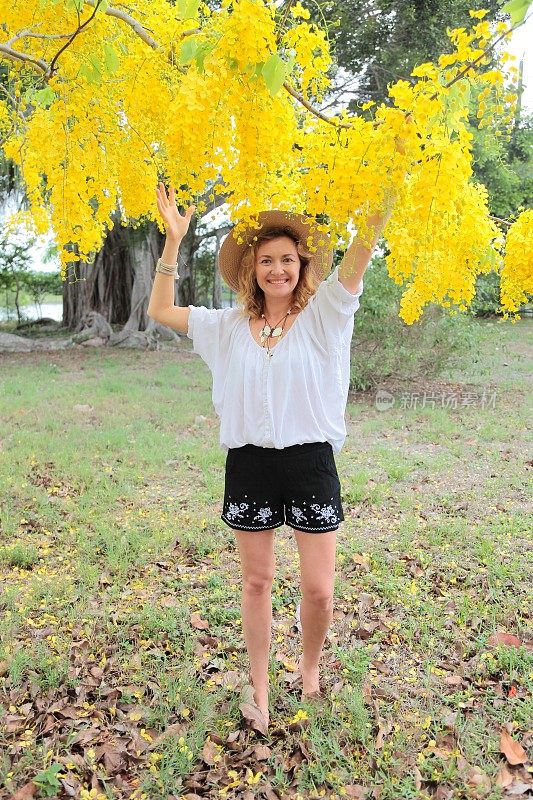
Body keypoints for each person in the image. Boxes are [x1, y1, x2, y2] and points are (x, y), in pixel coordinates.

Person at [148, 185, 397, 735]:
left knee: (320, 589)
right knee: (257, 582)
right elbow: (160, 308)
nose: (277, 270)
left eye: (287, 259)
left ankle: (309, 671)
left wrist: (390, 169)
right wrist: (173, 240)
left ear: (301, 265)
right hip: (251, 464)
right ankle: (259, 689)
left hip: (311, 462)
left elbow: (363, 245)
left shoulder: (326, 314)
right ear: (252, 270)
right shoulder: (227, 327)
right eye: (266, 261)